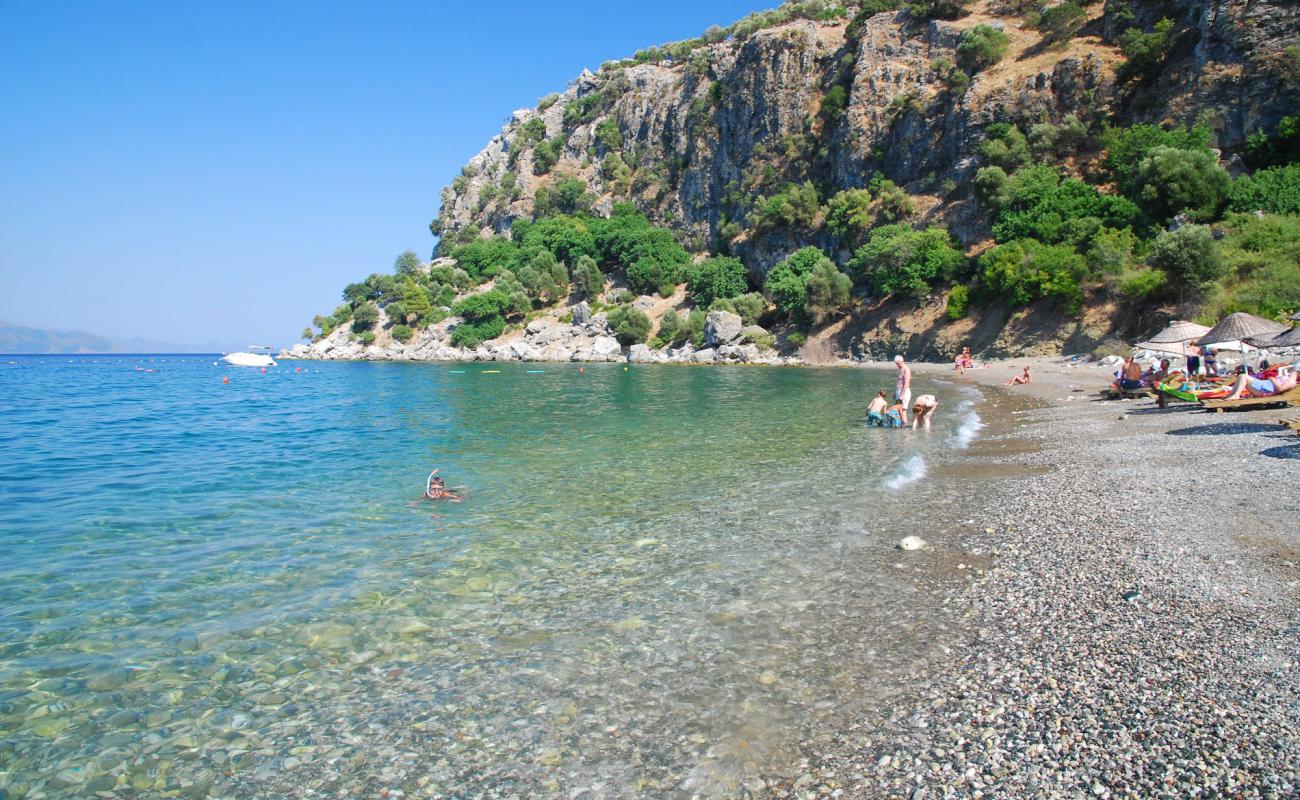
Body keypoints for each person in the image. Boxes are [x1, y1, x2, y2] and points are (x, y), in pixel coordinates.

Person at [894, 355, 912, 424]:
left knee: (903, 410)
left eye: (898, 363)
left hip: (904, 392)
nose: (897, 365)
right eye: (896, 363)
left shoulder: (906, 369)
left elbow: (906, 383)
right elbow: (898, 381)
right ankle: (902, 424)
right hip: (899, 391)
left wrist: (902, 395)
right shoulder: (899, 369)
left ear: (902, 361)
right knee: (898, 410)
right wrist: (895, 392)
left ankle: (904, 425)